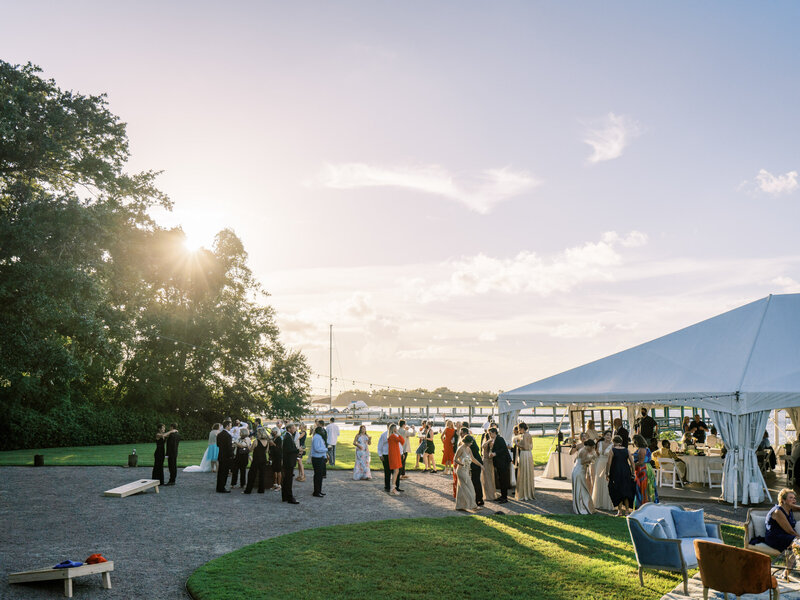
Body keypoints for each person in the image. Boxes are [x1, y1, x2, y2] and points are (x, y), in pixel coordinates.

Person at [765, 488, 800, 579]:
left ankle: (785, 573)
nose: (794, 500)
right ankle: (787, 573)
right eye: (791, 498)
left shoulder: (789, 507)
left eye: (794, 498)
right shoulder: (778, 512)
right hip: (774, 537)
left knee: (796, 543)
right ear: (783, 500)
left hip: (785, 536)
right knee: (796, 543)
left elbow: (798, 508)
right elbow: (790, 531)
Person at [606, 435, 636, 516]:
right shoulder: (626, 450)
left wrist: (607, 473)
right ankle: (626, 511)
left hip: (615, 472)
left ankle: (619, 511)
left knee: (617, 491)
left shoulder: (612, 450)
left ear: (613, 442)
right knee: (626, 491)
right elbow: (632, 462)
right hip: (626, 472)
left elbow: (609, 463)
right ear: (621, 442)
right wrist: (633, 472)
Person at [454, 435, 484, 511]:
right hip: (461, 470)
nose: (471, 443)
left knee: (461, 489)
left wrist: (480, 465)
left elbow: (473, 459)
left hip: (467, 470)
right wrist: (462, 464)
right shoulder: (460, 448)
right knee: (470, 488)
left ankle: (459, 506)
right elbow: (455, 459)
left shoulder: (468, 448)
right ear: (467, 442)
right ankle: (473, 505)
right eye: (471, 442)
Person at [571, 439, 597, 514]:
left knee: (581, 489)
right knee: (582, 489)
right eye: (592, 447)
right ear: (589, 446)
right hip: (579, 471)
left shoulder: (582, 449)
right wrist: (591, 459)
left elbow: (577, 460)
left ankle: (582, 505)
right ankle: (583, 507)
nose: (592, 449)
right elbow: (582, 462)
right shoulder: (584, 451)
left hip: (578, 470)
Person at [633, 434, 659, 508]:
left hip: (642, 469)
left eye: (634, 442)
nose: (634, 443)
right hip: (647, 468)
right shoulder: (647, 448)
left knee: (643, 488)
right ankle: (650, 505)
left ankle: (642, 506)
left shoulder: (641, 449)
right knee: (648, 488)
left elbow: (640, 462)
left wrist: (632, 465)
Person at [591, 430, 614, 511]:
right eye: (607, 435)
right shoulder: (599, 443)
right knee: (598, 481)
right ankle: (598, 502)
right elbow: (596, 453)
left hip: (608, 464)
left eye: (610, 435)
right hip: (599, 463)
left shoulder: (612, 445)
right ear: (604, 436)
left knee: (606, 482)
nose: (608, 436)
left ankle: (606, 504)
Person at [488, 428, 511, 503]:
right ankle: (502, 496)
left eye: (490, 433)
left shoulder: (500, 439)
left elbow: (504, 449)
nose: (490, 435)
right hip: (498, 462)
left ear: (495, 433)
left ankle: (505, 497)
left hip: (503, 462)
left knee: (503, 479)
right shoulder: (493, 440)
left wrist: (495, 453)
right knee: (500, 479)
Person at [244, 428, 270, 494]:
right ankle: (261, 490)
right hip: (263, 459)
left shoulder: (256, 441)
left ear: (259, 433)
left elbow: (250, 450)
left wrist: (247, 444)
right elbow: (266, 451)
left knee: (251, 474)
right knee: (262, 475)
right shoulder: (267, 441)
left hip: (256, 459)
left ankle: (248, 490)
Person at [514, 422, 536, 501]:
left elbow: (525, 447)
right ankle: (528, 491)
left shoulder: (525, 435)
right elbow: (530, 446)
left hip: (524, 454)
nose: (519, 430)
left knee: (523, 472)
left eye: (519, 429)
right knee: (527, 472)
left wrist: (517, 444)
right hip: (529, 454)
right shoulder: (529, 435)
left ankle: (524, 493)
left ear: (523, 428)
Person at [281, 423, 299, 504]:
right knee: (288, 480)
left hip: (288, 461)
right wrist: (298, 450)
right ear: (289, 429)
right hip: (289, 462)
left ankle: (285, 496)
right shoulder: (288, 437)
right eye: (293, 428)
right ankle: (289, 497)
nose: (294, 429)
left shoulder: (288, 436)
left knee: (286, 479)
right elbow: (288, 450)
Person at [216, 420, 234, 493]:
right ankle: (222, 488)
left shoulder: (219, 434)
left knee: (220, 472)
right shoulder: (228, 436)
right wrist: (232, 454)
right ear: (227, 426)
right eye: (230, 425)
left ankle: (219, 487)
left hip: (221, 455)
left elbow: (218, 445)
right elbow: (229, 448)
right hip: (226, 456)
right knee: (225, 472)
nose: (231, 427)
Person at [387, 424, 405, 495]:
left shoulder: (391, 436)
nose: (396, 429)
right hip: (394, 454)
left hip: (395, 454)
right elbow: (402, 441)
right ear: (394, 429)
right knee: (396, 471)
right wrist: (398, 433)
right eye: (396, 428)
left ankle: (393, 488)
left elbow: (401, 441)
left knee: (396, 471)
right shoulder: (393, 436)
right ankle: (393, 488)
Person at [310, 426, 328, 497]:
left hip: (320, 457)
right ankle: (316, 492)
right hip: (317, 458)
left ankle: (319, 490)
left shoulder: (319, 437)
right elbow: (317, 448)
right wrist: (326, 450)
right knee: (318, 475)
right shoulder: (317, 437)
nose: (323, 432)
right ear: (319, 431)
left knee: (320, 476)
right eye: (322, 430)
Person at [481, 427, 497, 502]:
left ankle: (491, 494)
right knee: (486, 478)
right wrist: (488, 441)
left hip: (490, 461)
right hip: (485, 461)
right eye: (489, 434)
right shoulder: (487, 442)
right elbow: (483, 446)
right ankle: (487, 494)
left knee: (490, 478)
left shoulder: (492, 443)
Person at [377, 423, 392, 492]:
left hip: (394, 455)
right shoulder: (383, 435)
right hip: (386, 454)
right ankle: (387, 486)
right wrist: (380, 454)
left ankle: (395, 486)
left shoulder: (395, 434)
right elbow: (380, 445)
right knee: (387, 471)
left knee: (395, 471)